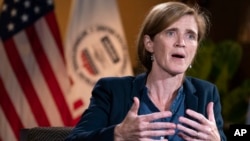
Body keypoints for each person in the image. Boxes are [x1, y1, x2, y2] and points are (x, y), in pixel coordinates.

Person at [65, 1, 227, 141]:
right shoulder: (113, 91)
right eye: (171, 33)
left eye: (191, 36)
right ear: (149, 43)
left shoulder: (206, 94)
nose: (181, 43)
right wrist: (119, 134)